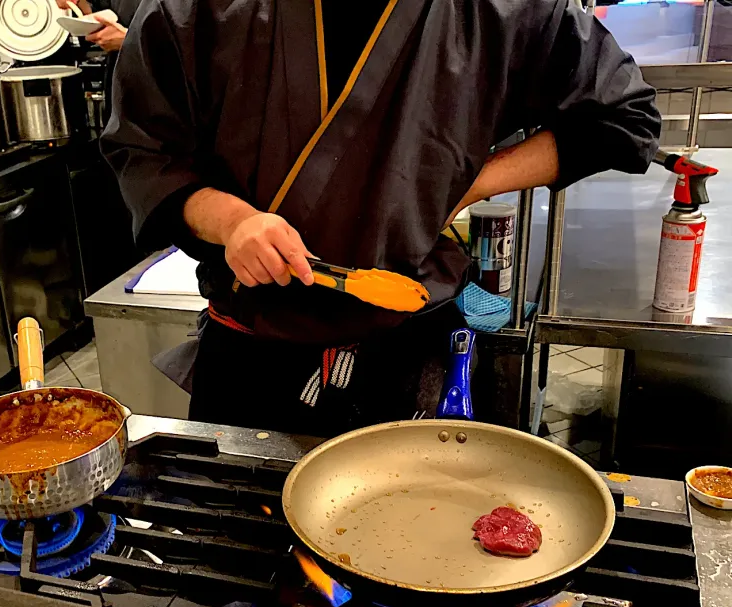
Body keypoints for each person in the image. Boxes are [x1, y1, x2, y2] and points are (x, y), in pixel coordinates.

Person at [101, 0, 661, 437]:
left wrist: (466, 186)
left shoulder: (506, 12)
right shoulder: (197, 11)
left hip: (408, 350)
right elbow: (146, 151)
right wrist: (232, 222)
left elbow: (621, 118)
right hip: (252, 358)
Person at [55, 0, 138, 52]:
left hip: (146, 72)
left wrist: (129, 40)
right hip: (119, 70)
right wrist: (79, 2)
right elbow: (95, 12)